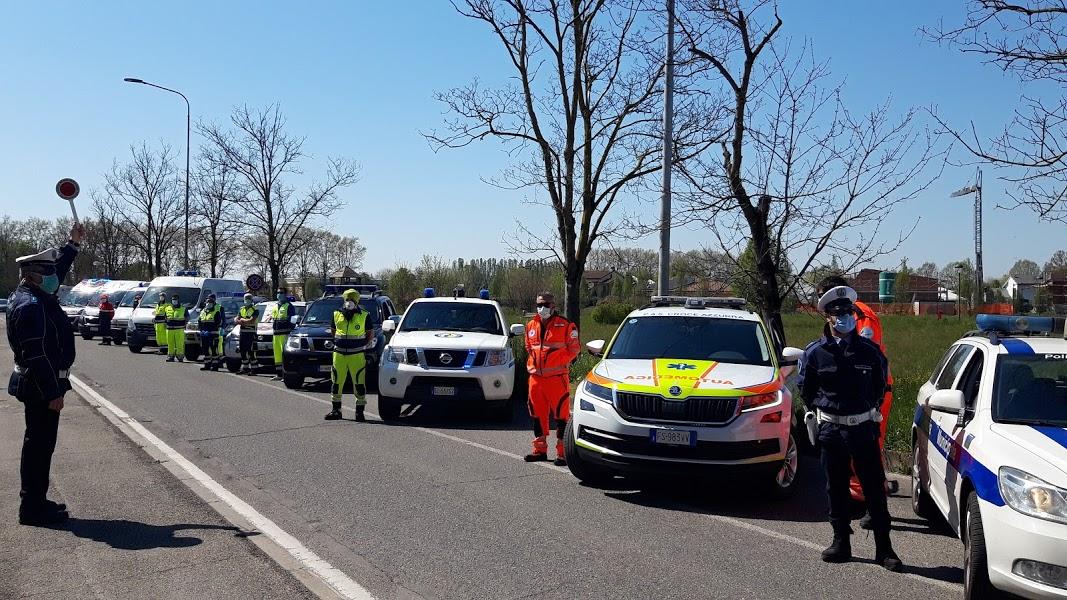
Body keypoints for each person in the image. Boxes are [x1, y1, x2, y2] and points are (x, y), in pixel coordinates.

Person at [797, 285, 902, 571]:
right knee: (835, 487)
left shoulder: (870, 352)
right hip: (831, 430)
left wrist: (865, 412)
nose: (845, 317)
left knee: (874, 488)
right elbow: (806, 389)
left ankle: (884, 547)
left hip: (863, 428)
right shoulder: (815, 353)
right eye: (838, 312)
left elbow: (881, 387)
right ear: (828, 316)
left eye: (849, 312)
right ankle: (840, 541)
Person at [6, 222, 83, 525]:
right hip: (40, 387)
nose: (55, 278)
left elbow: (57, 270)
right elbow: (36, 354)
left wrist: (72, 245)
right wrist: (53, 392)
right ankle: (32, 508)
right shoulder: (31, 306)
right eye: (48, 273)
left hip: (38, 385)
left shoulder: (31, 295)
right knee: (38, 447)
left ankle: (36, 501)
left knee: (39, 445)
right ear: (34, 275)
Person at [817, 275, 894, 522]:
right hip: (851, 393)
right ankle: (859, 499)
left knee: (869, 448)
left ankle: (873, 506)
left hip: (870, 393)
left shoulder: (862, 317)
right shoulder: (845, 314)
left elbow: (864, 358)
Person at [523, 292, 579, 466]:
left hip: (557, 378)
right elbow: (528, 346)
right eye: (539, 304)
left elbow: (574, 349)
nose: (542, 308)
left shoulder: (566, 325)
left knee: (561, 416)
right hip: (535, 379)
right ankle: (539, 450)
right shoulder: (531, 325)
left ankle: (562, 453)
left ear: (553, 306)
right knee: (537, 414)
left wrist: (555, 360)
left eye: (546, 304)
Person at [325, 289, 373, 421]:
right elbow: (333, 331)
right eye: (347, 299)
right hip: (339, 354)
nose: (349, 302)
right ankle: (336, 410)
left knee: (359, 383)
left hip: (357, 355)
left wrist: (362, 345)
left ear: (357, 301)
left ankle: (359, 411)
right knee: (336, 382)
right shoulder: (336, 314)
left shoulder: (364, 315)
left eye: (352, 299)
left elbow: (370, 333)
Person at [270, 288, 296, 381]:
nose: (279, 294)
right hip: (276, 334)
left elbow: (293, 320)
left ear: (285, 294)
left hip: (285, 334)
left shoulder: (289, 306)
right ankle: (279, 374)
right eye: (278, 293)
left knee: (284, 355)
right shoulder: (275, 306)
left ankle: (285, 375)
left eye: (281, 293)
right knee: (277, 356)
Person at [198, 294, 225, 371]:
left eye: (210, 302)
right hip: (204, 334)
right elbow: (200, 321)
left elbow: (218, 322)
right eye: (207, 302)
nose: (208, 303)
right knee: (205, 350)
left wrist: (210, 331)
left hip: (213, 334)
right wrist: (201, 330)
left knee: (214, 349)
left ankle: (215, 365)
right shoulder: (203, 311)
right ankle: (207, 365)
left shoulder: (216, 312)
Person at [235, 293, 259, 375]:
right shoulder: (242, 309)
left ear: (251, 300)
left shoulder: (254, 309)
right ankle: (245, 368)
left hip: (251, 333)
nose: (247, 300)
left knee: (251, 351)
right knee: (242, 351)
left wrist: (242, 320)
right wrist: (240, 320)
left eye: (249, 298)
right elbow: (236, 319)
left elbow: (252, 320)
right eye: (246, 298)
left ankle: (254, 369)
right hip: (242, 333)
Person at [164, 293, 187, 363]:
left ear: (178, 300)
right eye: (173, 300)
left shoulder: (183, 309)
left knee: (179, 343)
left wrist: (184, 324)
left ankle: (180, 356)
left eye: (175, 300)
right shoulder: (167, 308)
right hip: (169, 329)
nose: (174, 301)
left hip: (179, 329)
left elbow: (187, 318)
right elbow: (165, 318)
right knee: (170, 343)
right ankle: (170, 356)